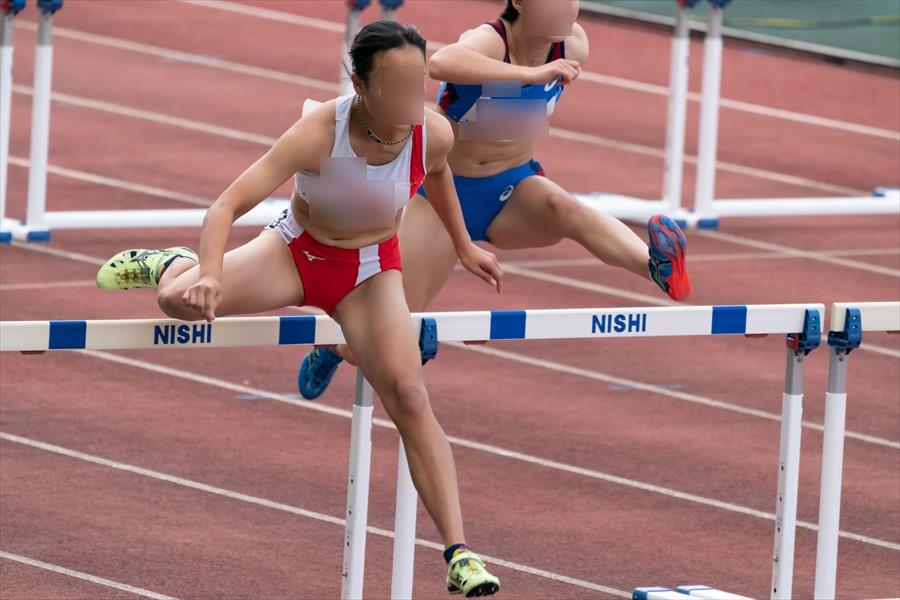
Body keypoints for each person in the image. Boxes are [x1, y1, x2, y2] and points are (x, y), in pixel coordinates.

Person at [95, 20, 503, 598]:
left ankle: (460, 554)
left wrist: (464, 246)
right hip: (294, 253)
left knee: (409, 395)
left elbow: (437, 176)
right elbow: (226, 205)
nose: (415, 94)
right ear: (361, 86)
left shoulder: (432, 134)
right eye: (399, 82)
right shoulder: (320, 130)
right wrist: (209, 271)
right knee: (176, 302)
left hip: (369, 271)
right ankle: (171, 264)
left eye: (421, 79)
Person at [300, 0, 691, 398]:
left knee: (567, 210)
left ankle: (655, 266)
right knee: (394, 324)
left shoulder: (573, 46)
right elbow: (440, 63)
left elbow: (519, 116)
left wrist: (531, 86)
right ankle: (335, 346)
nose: (566, 7)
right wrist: (530, 74)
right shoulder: (490, 40)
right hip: (442, 194)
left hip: (511, 189)